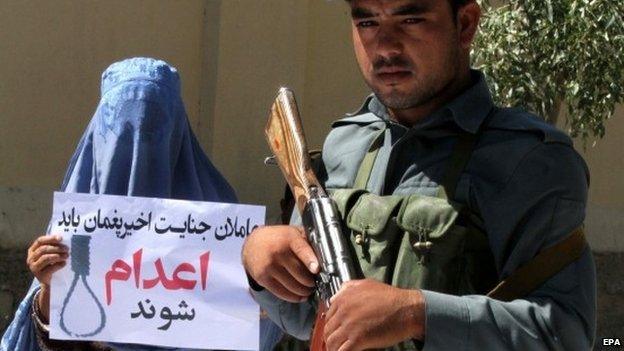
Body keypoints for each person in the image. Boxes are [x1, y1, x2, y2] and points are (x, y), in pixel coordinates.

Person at [242, 0, 596, 350]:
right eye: (367, 23)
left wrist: (417, 314)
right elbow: (310, 320)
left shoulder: (530, 159)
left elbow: (566, 334)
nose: (385, 46)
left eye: (411, 19)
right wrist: (259, 263)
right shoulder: (346, 145)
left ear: (466, 24)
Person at [1, 57, 282, 351]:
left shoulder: (224, 229)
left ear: (176, 132)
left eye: (154, 130)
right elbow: (40, 342)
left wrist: (258, 293)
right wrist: (49, 287)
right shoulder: (77, 228)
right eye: (124, 131)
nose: (139, 151)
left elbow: (256, 332)